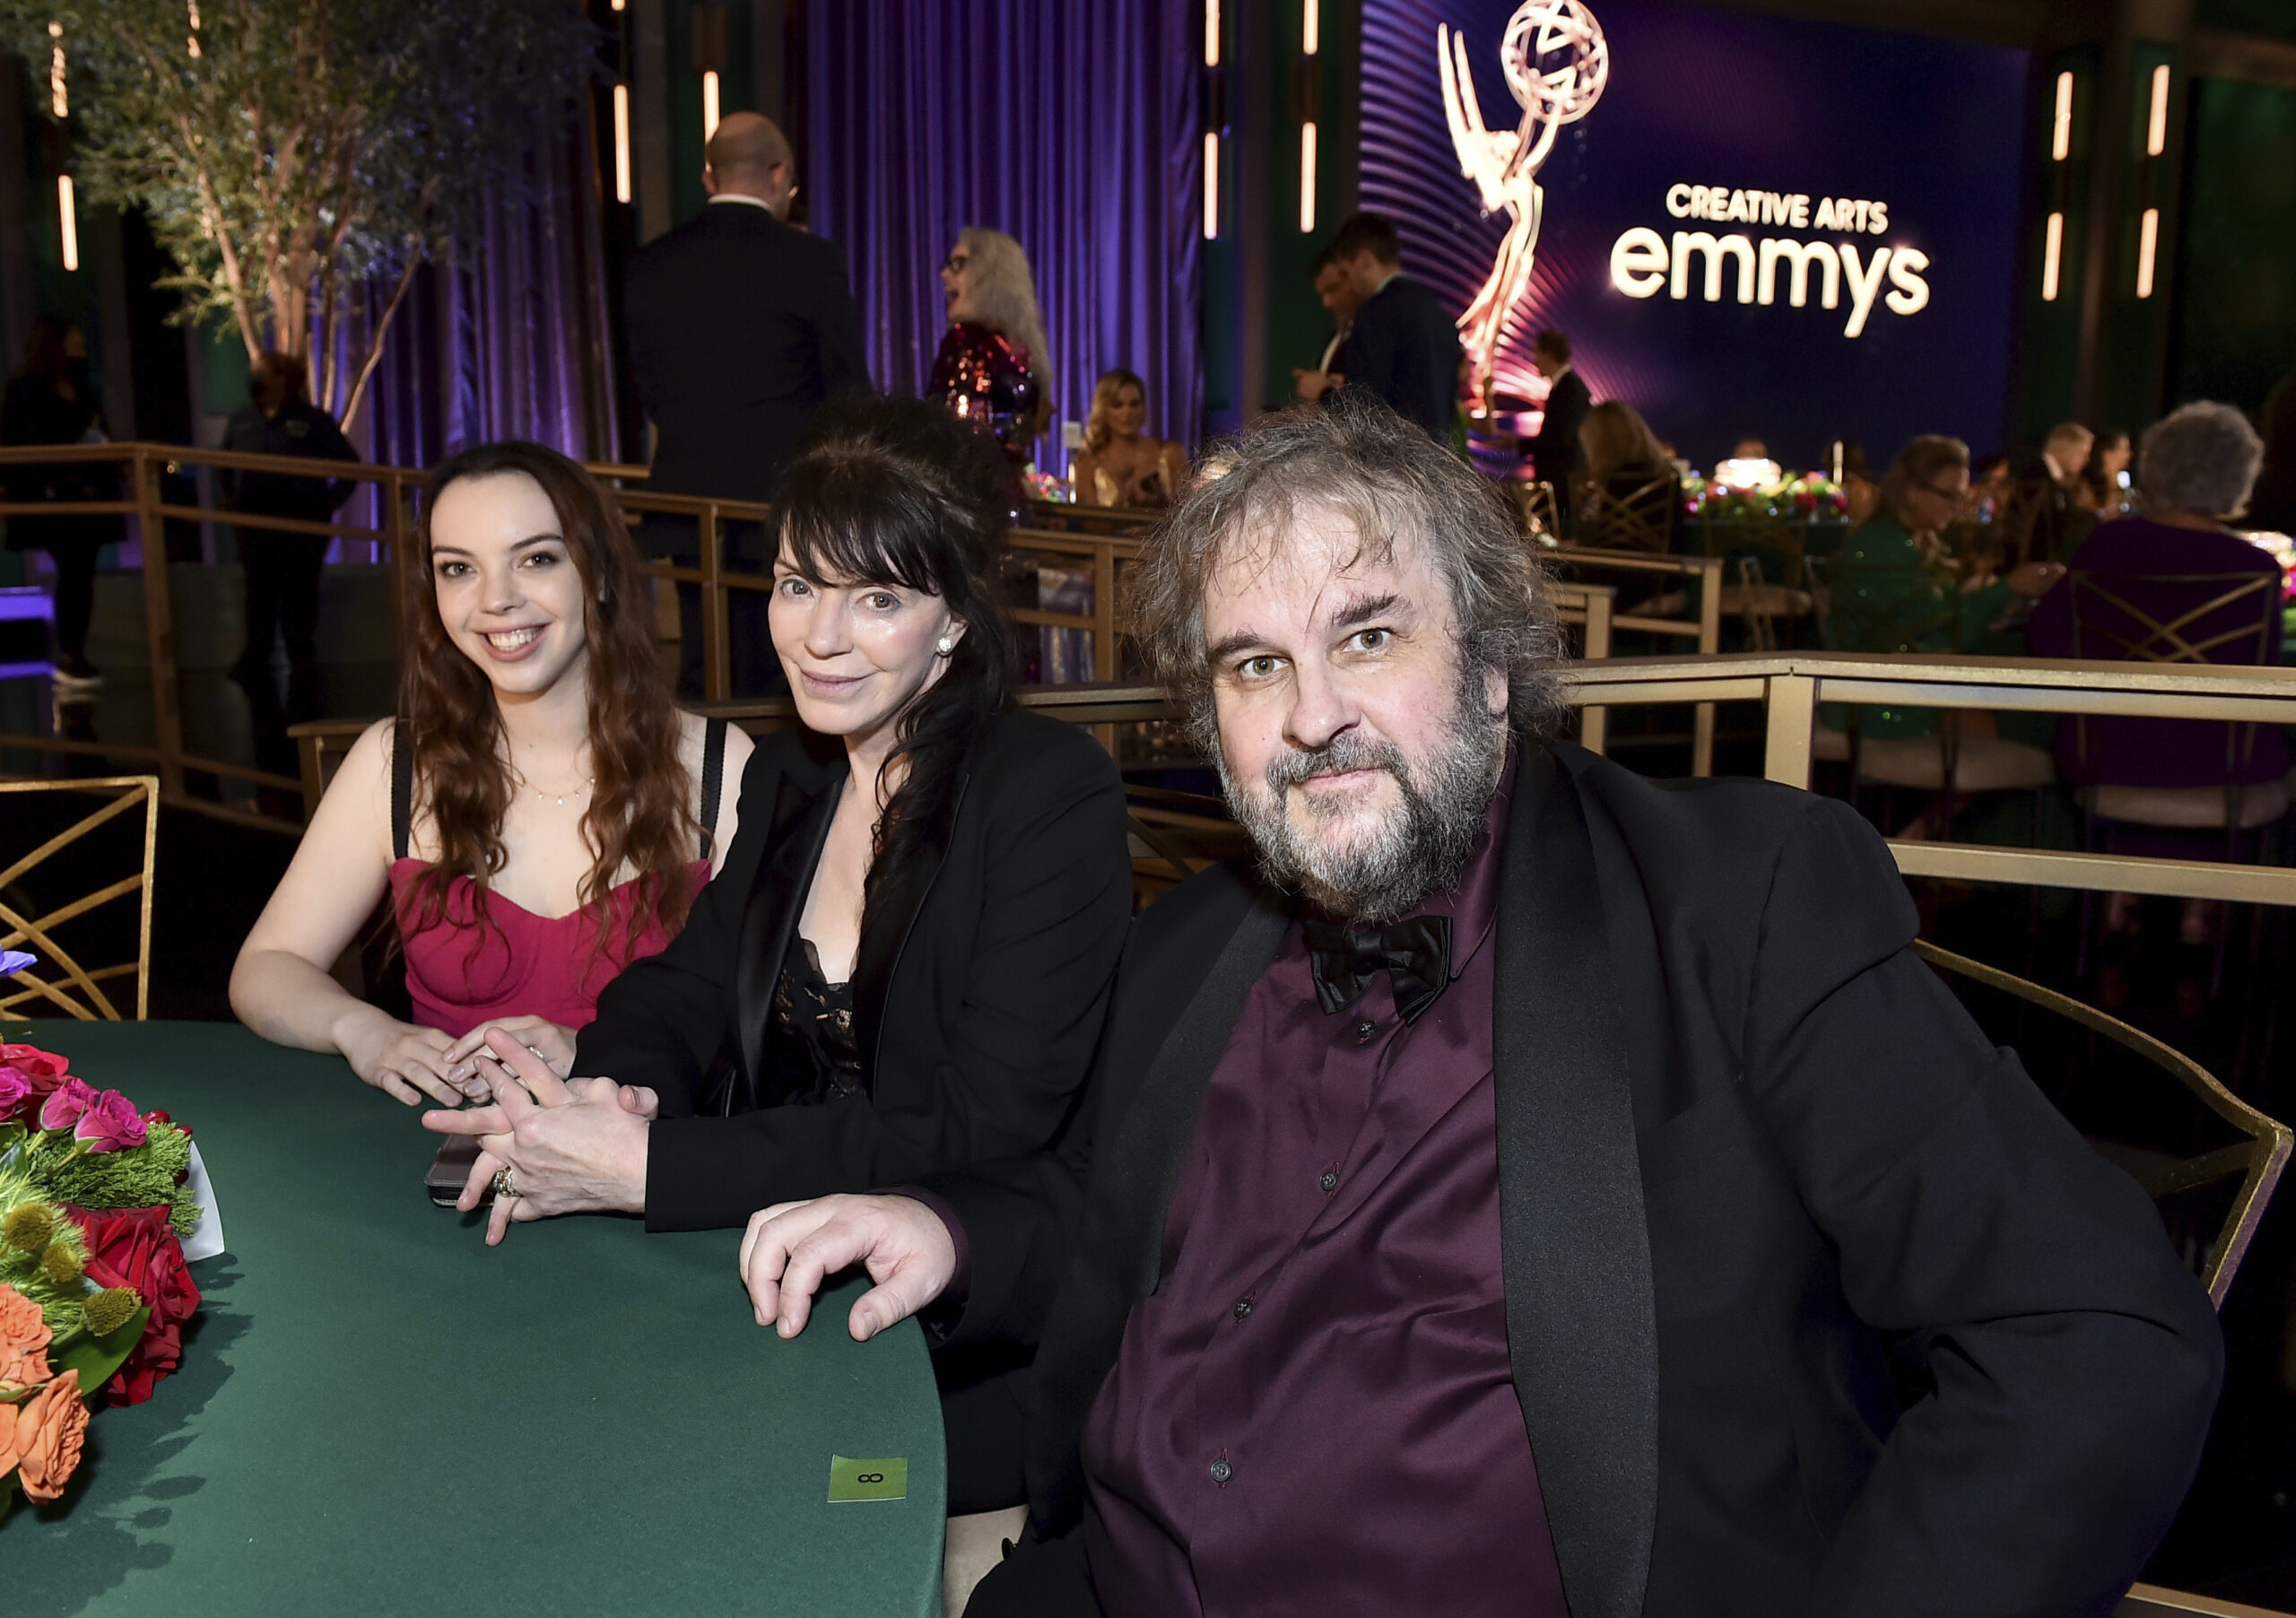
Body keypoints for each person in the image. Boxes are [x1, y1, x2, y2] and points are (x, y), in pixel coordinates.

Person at [738, 395, 2221, 1618]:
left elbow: (2091, 1333)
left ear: (1498, 671)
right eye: (1257, 664)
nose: (1312, 713)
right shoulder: (1192, 940)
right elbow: (1107, 1212)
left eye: (1368, 637)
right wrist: (951, 1225)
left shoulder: (1729, 907)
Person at [419, 394, 1131, 1246]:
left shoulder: (1049, 794)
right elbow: (686, 985)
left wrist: (653, 1168)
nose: (818, 638)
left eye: (877, 599)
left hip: (934, 1275)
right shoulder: (795, 772)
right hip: (757, 1236)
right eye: (798, 586)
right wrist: (616, 1094)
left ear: (957, 621)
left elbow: (980, 1123)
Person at [230, 442, 751, 1106]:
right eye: (458, 569)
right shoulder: (394, 765)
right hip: (443, 1167)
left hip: (654, 1166)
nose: (496, 600)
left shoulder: (715, 766)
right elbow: (267, 967)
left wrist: (604, 1050)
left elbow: (780, 1021)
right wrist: (363, 1029)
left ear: (596, 572)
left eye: (535, 559)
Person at [624, 111, 869, 697]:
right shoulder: (809, 260)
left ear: (710, 178)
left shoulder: (652, 263)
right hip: (785, 506)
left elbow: (648, 390)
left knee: (706, 661)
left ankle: (701, 781)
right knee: (783, 672)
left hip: (688, 499)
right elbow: (849, 393)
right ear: (781, 174)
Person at [2027, 401, 2288, 829]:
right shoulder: (2255, 569)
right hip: (2223, 766)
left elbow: (2045, 638)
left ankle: (2115, 893)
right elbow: (2263, 677)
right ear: (2240, 474)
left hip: (2107, 757)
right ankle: (2210, 892)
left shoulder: (2106, 545)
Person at [1826, 434, 2063, 743]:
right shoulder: (1883, 547)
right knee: (2024, 722)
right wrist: (2006, 588)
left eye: (1961, 495)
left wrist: (2000, 602)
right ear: (1913, 492)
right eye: (1949, 495)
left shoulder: (1914, 540)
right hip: (1878, 701)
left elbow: (1930, 618)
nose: (1958, 506)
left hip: (1906, 684)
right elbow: (1936, 625)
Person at [222, 351, 361, 693]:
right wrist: (231, 503)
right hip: (255, 525)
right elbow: (222, 467)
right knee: (258, 593)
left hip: (302, 526)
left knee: (300, 593)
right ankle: (256, 657)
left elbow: (350, 465)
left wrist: (331, 501)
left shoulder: (313, 421)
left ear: (284, 379)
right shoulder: (241, 420)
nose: (256, 378)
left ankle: (302, 660)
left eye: (263, 372)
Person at [2, 318, 120, 690]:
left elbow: (101, 429)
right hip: (50, 497)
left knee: (82, 574)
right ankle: (70, 655)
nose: (80, 348)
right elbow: (21, 440)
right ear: (54, 345)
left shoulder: (84, 388)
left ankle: (74, 653)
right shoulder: (26, 390)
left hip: (87, 496)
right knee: (73, 571)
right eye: (74, 341)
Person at [1326, 212, 1461, 444]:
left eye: (1346, 272)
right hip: (1436, 462)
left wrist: (1325, 393)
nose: (1349, 283)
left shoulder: (1377, 312)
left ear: (1365, 260)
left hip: (1392, 462)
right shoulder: (1439, 315)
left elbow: (1365, 406)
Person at [930, 227, 1053, 469]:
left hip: (972, 495)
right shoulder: (1021, 351)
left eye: (958, 264)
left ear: (991, 275)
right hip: (1006, 496)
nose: (944, 274)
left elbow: (955, 441)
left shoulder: (967, 342)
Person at [1575, 399, 1682, 551]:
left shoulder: (1610, 482)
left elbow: (1594, 537)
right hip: (1661, 568)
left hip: (1610, 567)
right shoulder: (1668, 476)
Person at [1071, 370, 1188, 509]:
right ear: (1103, 409)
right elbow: (1088, 524)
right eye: (1118, 405)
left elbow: (1188, 512)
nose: (1127, 413)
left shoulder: (1170, 454)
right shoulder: (1087, 464)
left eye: (1134, 404)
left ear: (1143, 407)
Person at [1526, 327, 1591, 527]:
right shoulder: (1566, 386)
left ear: (1548, 354)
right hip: (1560, 482)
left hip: (1562, 485)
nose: (1535, 360)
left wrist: (1520, 445)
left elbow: (1560, 437)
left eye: (1537, 353)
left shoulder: (1570, 388)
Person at [2013, 421, 2095, 563]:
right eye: (2083, 454)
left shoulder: (2053, 481)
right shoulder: (2037, 479)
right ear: (2065, 450)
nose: (2086, 461)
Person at [1290, 248, 1358, 404]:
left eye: (1333, 289)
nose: (1326, 303)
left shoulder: (1371, 341)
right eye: (1322, 294)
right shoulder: (1334, 339)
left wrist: (1325, 392)